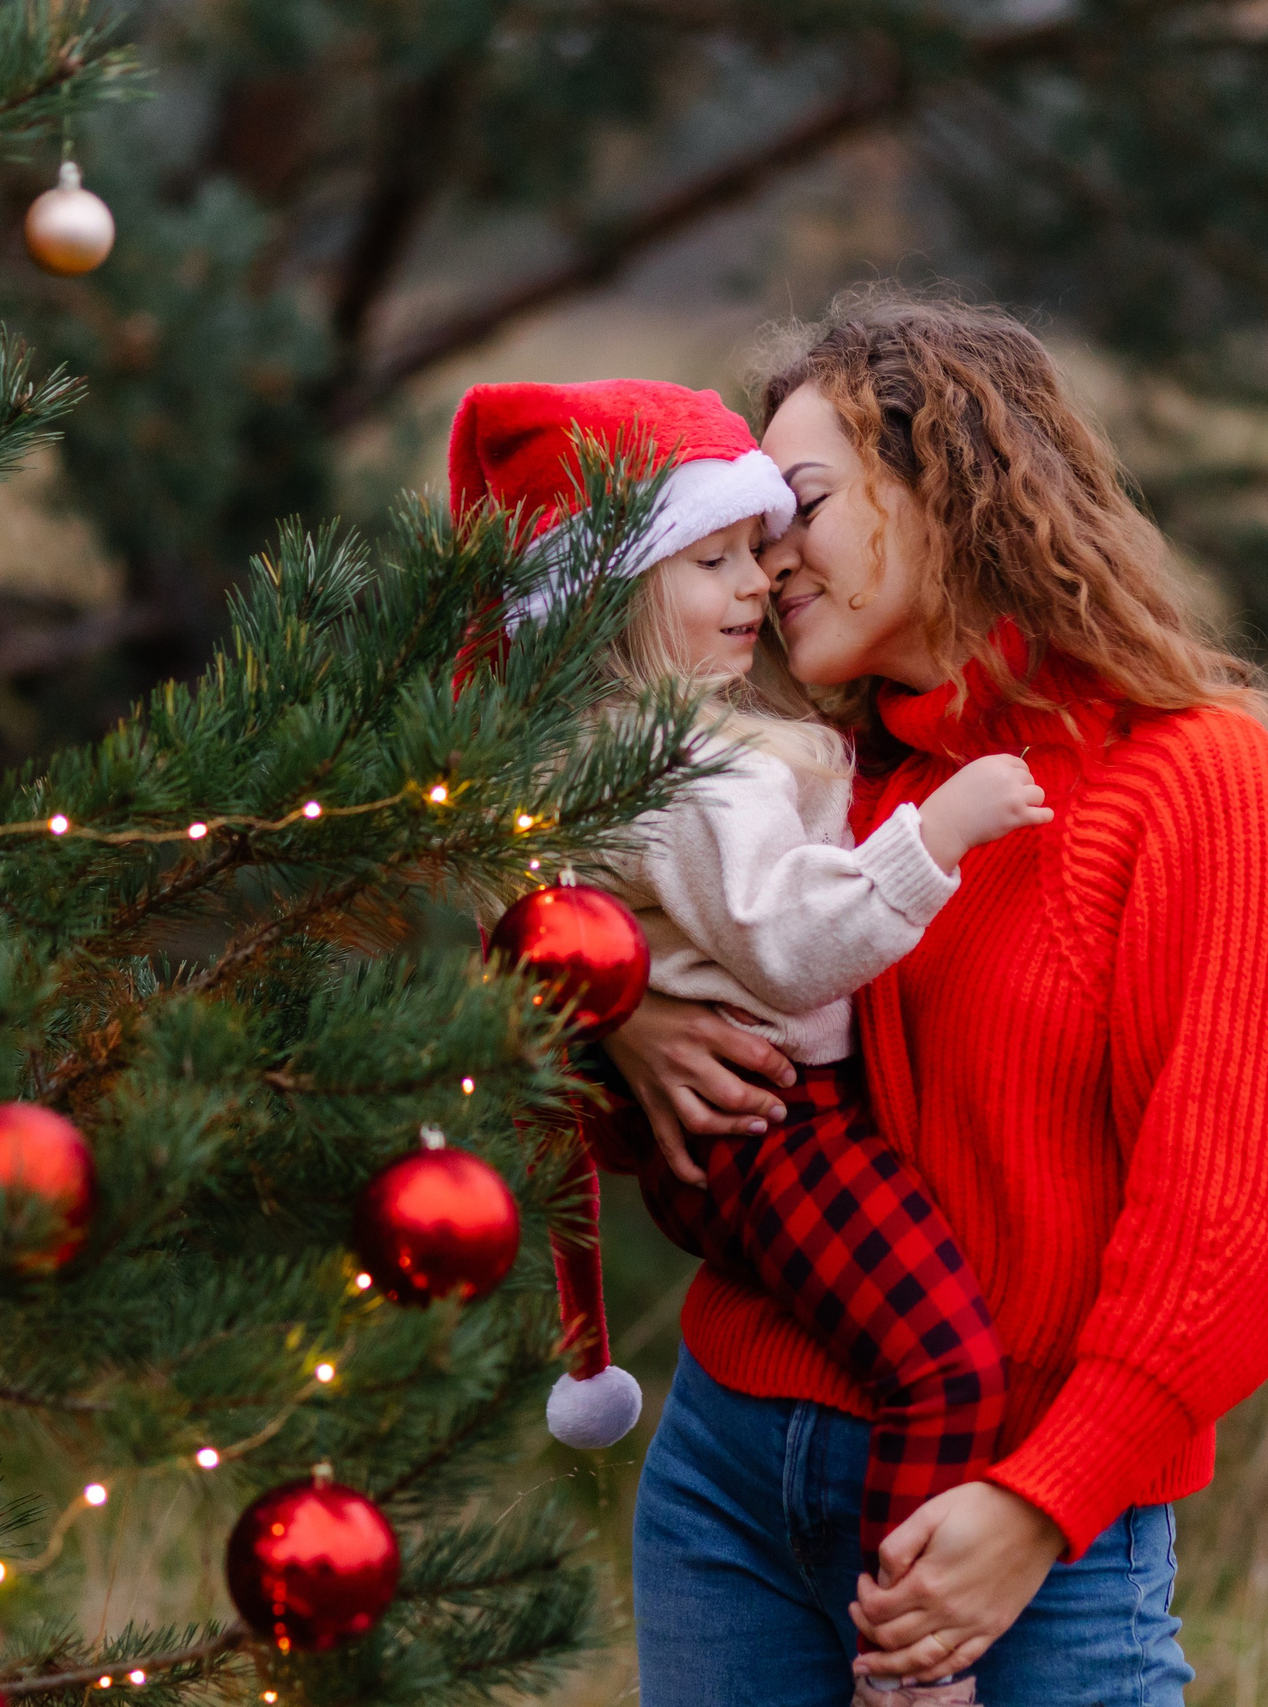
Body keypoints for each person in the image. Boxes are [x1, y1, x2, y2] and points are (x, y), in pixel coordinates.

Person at [603, 296, 1268, 1707]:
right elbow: (539, 1013)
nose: (768, 560)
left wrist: (1046, 1498)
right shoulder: (805, 786)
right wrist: (622, 1023)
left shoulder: (1194, 780)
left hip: (1024, 1530)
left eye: (802, 506)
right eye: (748, 530)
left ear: (950, 486)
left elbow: (1256, 1202)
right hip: (727, 1482)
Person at [448, 380, 1048, 1703]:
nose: (757, 581)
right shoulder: (686, 771)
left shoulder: (651, 738)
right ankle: (911, 1665)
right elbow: (789, 943)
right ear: (610, 595)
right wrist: (937, 836)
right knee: (946, 1364)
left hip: (745, 1130)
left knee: (921, 1350)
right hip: (776, 1125)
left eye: (757, 550)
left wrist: (629, 1008)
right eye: (710, 558)